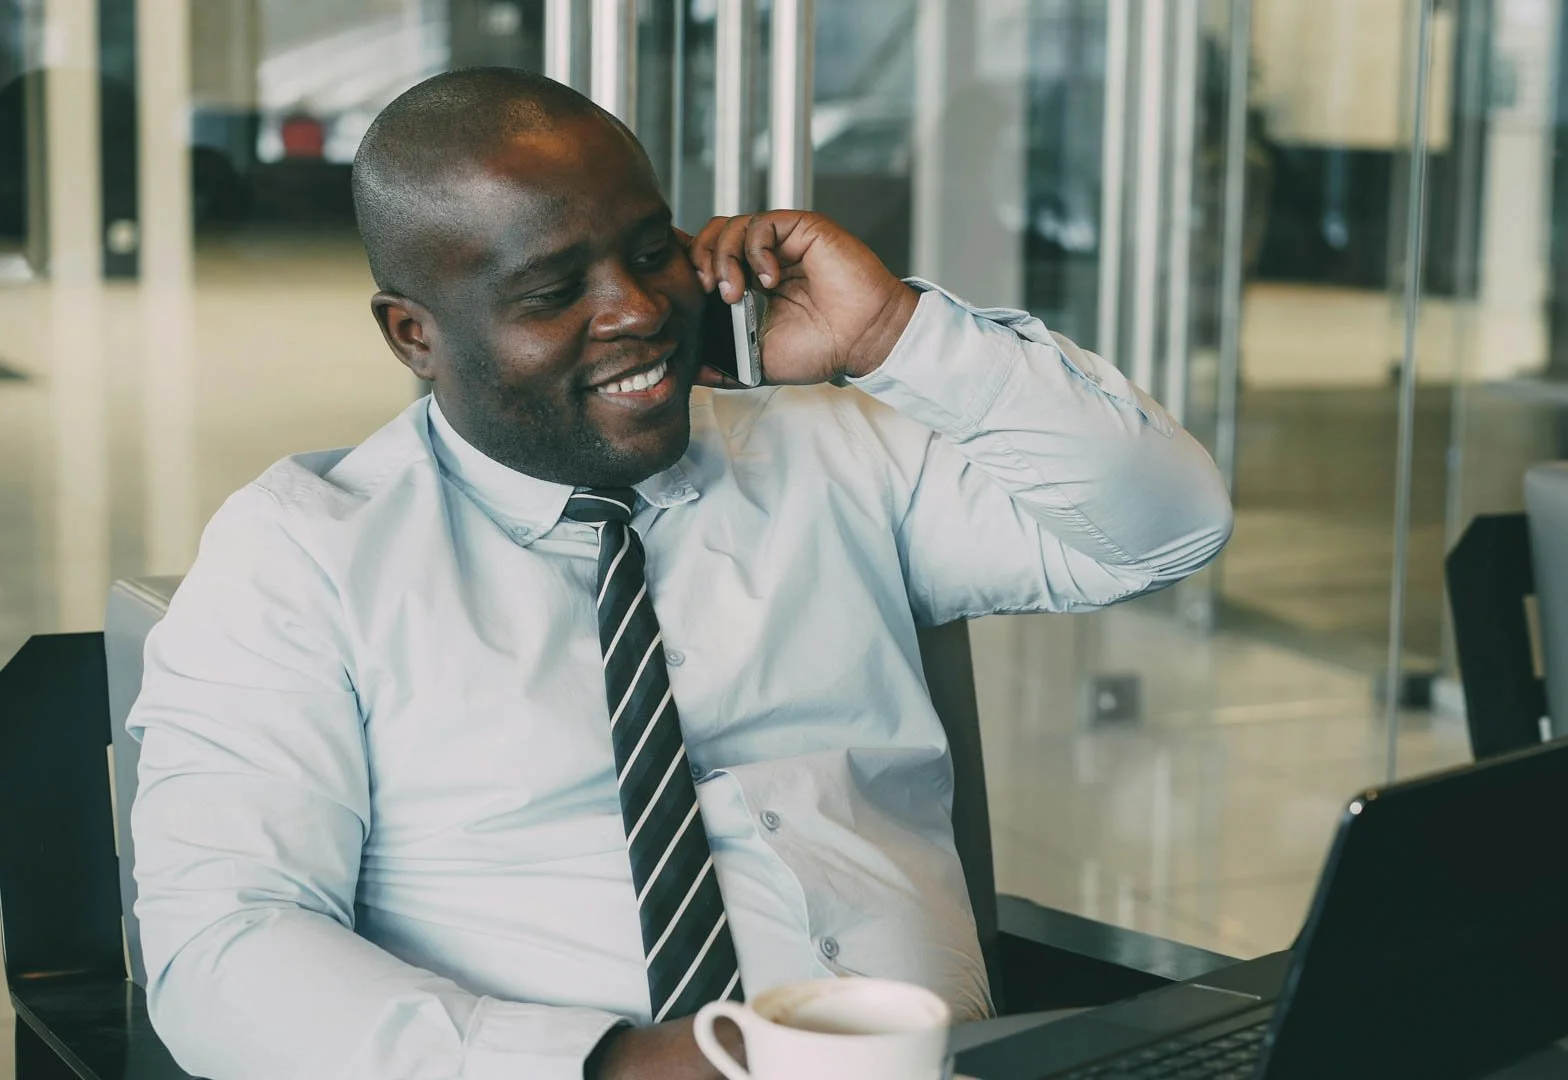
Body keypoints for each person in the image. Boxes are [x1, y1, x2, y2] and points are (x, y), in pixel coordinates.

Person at [127, 67, 1231, 1080]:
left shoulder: (836, 453)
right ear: (414, 334)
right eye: (555, 290)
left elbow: (1164, 527)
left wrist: (894, 331)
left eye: (651, 250)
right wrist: (610, 1066)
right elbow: (223, 950)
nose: (639, 309)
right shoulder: (304, 555)